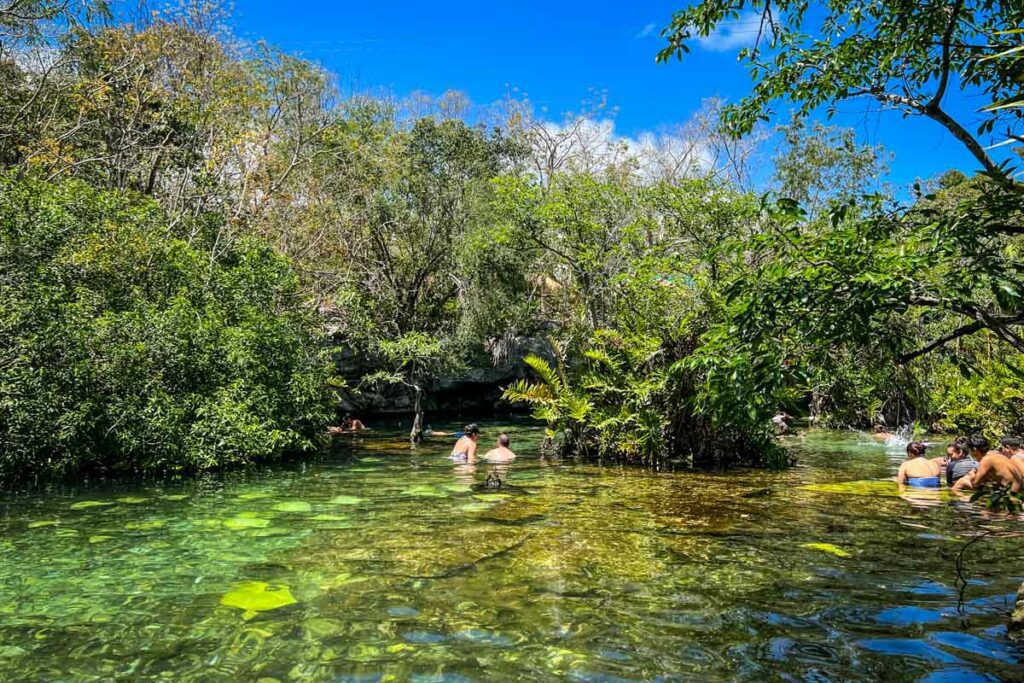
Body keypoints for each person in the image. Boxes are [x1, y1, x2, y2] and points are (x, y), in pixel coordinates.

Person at [952, 433, 1023, 493]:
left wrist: (972, 474)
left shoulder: (986, 459)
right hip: (1018, 489)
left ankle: (954, 503)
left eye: (971, 452)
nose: (971, 455)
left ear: (974, 450)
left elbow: (975, 483)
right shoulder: (996, 453)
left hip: (1011, 492)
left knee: (962, 481)